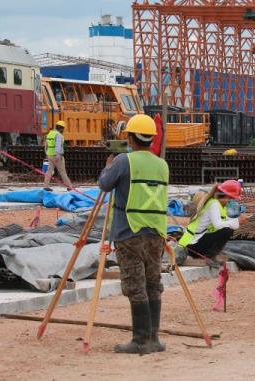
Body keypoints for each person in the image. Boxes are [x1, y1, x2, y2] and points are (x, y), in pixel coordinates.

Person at [98, 113, 169, 354]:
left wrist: (108, 166)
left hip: (129, 231)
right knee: (153, 283)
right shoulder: (162, 164)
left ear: (130, 137)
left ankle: (140, 341)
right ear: (151, 138)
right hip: (157, 232)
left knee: (135, 285)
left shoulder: (123, 161)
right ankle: (154, 339)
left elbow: (105, 184)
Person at [178, 180, 247, 262]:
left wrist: (238, 220)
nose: (233, 201)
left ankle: (211, 255)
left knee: (228, 229)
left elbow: (231, 224)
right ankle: (210, 256)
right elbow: (218, 225)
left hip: (197, 243)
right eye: (232, 198)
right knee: (226, 231)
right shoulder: (214, 204)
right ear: (226, 196)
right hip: (190, 245)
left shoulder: (222, 207)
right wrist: (237, 221)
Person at [43, 121, 73, 191]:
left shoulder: (50, 134)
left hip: (49, 155)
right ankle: (69, 186)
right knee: (62, 172)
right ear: (62, 128)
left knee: (49, 171)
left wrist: (47, 154)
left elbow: (46, 145)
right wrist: (58, 155)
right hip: (57, 156)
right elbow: (58, 146)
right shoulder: (59, 135)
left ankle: (46, 186)